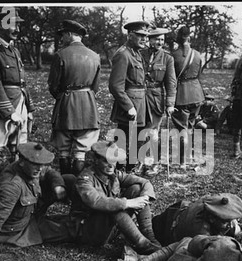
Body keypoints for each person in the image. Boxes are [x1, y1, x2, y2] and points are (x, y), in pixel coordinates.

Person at [0, 142, 76, 261]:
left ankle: (79, 214)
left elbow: (49, 171)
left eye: (41, 164)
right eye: (35, 164)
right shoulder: (11, 186)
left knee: (69, 179)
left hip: (31, 212)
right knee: (69, 231)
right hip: (19, 230)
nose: (40, 168)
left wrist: (58, 186)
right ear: (21, 162)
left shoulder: (30, 168)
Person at [0, 9, 35, 217]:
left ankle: (13, 193)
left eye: (18, 25)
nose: (16, 29)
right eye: (11, 24)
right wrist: (9, 112)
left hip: (20, 105)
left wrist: (28, 109)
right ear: (0, 24)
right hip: (4, 108)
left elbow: (22, 83)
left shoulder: (14, 50)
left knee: (18, 150)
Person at [70, 141, 161, 254]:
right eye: (106, 161)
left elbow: (145, 182)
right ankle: (143, 245)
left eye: (113, 161)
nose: (111, 165)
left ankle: (150, 237)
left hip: (111, 227)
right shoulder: (85, 179)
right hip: (90, 230)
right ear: (96, 160)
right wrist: (128, 203)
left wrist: (144, 197)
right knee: (115, 206)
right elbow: (97, 201)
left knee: (137, 189)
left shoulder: (114, 175)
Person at [48, 20, 101, 176]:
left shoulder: (60, 55)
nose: (62, 38)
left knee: (63, 147)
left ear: (70, 34)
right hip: (88, 104)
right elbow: (96, 86)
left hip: (66, 103)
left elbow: (53, 85)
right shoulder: (95, 56)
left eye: (63, 34)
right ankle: (77, 186)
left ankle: (65, 183)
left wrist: (63, 97)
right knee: (82, 149)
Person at [109, 21, 150, 173]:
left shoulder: (136, 53)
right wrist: (129, 106)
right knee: (124, 139)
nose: (144, 39)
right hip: (130, 105)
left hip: (139, 102)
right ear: (130, 35)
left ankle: (130, 169)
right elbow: (115, 85)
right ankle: (120, 171)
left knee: (136, 139)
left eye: (145, 36)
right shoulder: (123, 54)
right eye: (140, 35)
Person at [141, 27, 177, 176]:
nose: (160, 42)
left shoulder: (168, 59)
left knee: (153, 132)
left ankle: (154, 163)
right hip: (140, 97)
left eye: (162, 39)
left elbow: (171, 83)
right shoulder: (139, 54)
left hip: (156, 99)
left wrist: (170, 104)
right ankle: (140, 161)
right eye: (157, 39)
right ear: (149, 40)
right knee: (140, 131)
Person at [150, 193, 242, 246]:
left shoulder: (210, 205)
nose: (231, 224)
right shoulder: (200, 232)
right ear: (211, 219)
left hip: (179, 209)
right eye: (225, 222)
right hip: (167, 228)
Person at [171, 26, 205, 167]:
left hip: (181, 96)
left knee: (181, 128)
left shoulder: (173, 55)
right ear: (189, 38)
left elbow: (171, 78)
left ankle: (182, 161)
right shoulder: (198, 55)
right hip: (197, 94)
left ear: (177, 40)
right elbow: (199, 75)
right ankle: (189, 157)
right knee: (190, 126)